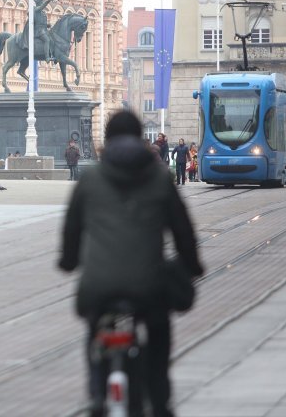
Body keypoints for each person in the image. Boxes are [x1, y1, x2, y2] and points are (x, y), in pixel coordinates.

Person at [59, 111, 204, 417]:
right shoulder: (159, 178)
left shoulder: (91, 179)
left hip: (98, 285)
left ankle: (98, 394)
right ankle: (160, 399)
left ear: (107, 140)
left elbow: (71, 229)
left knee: (96, 328)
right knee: (158, 330)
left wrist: (68, 261)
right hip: (148, 285)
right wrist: (192, 266)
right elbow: (183, 231)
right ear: (140, 138)